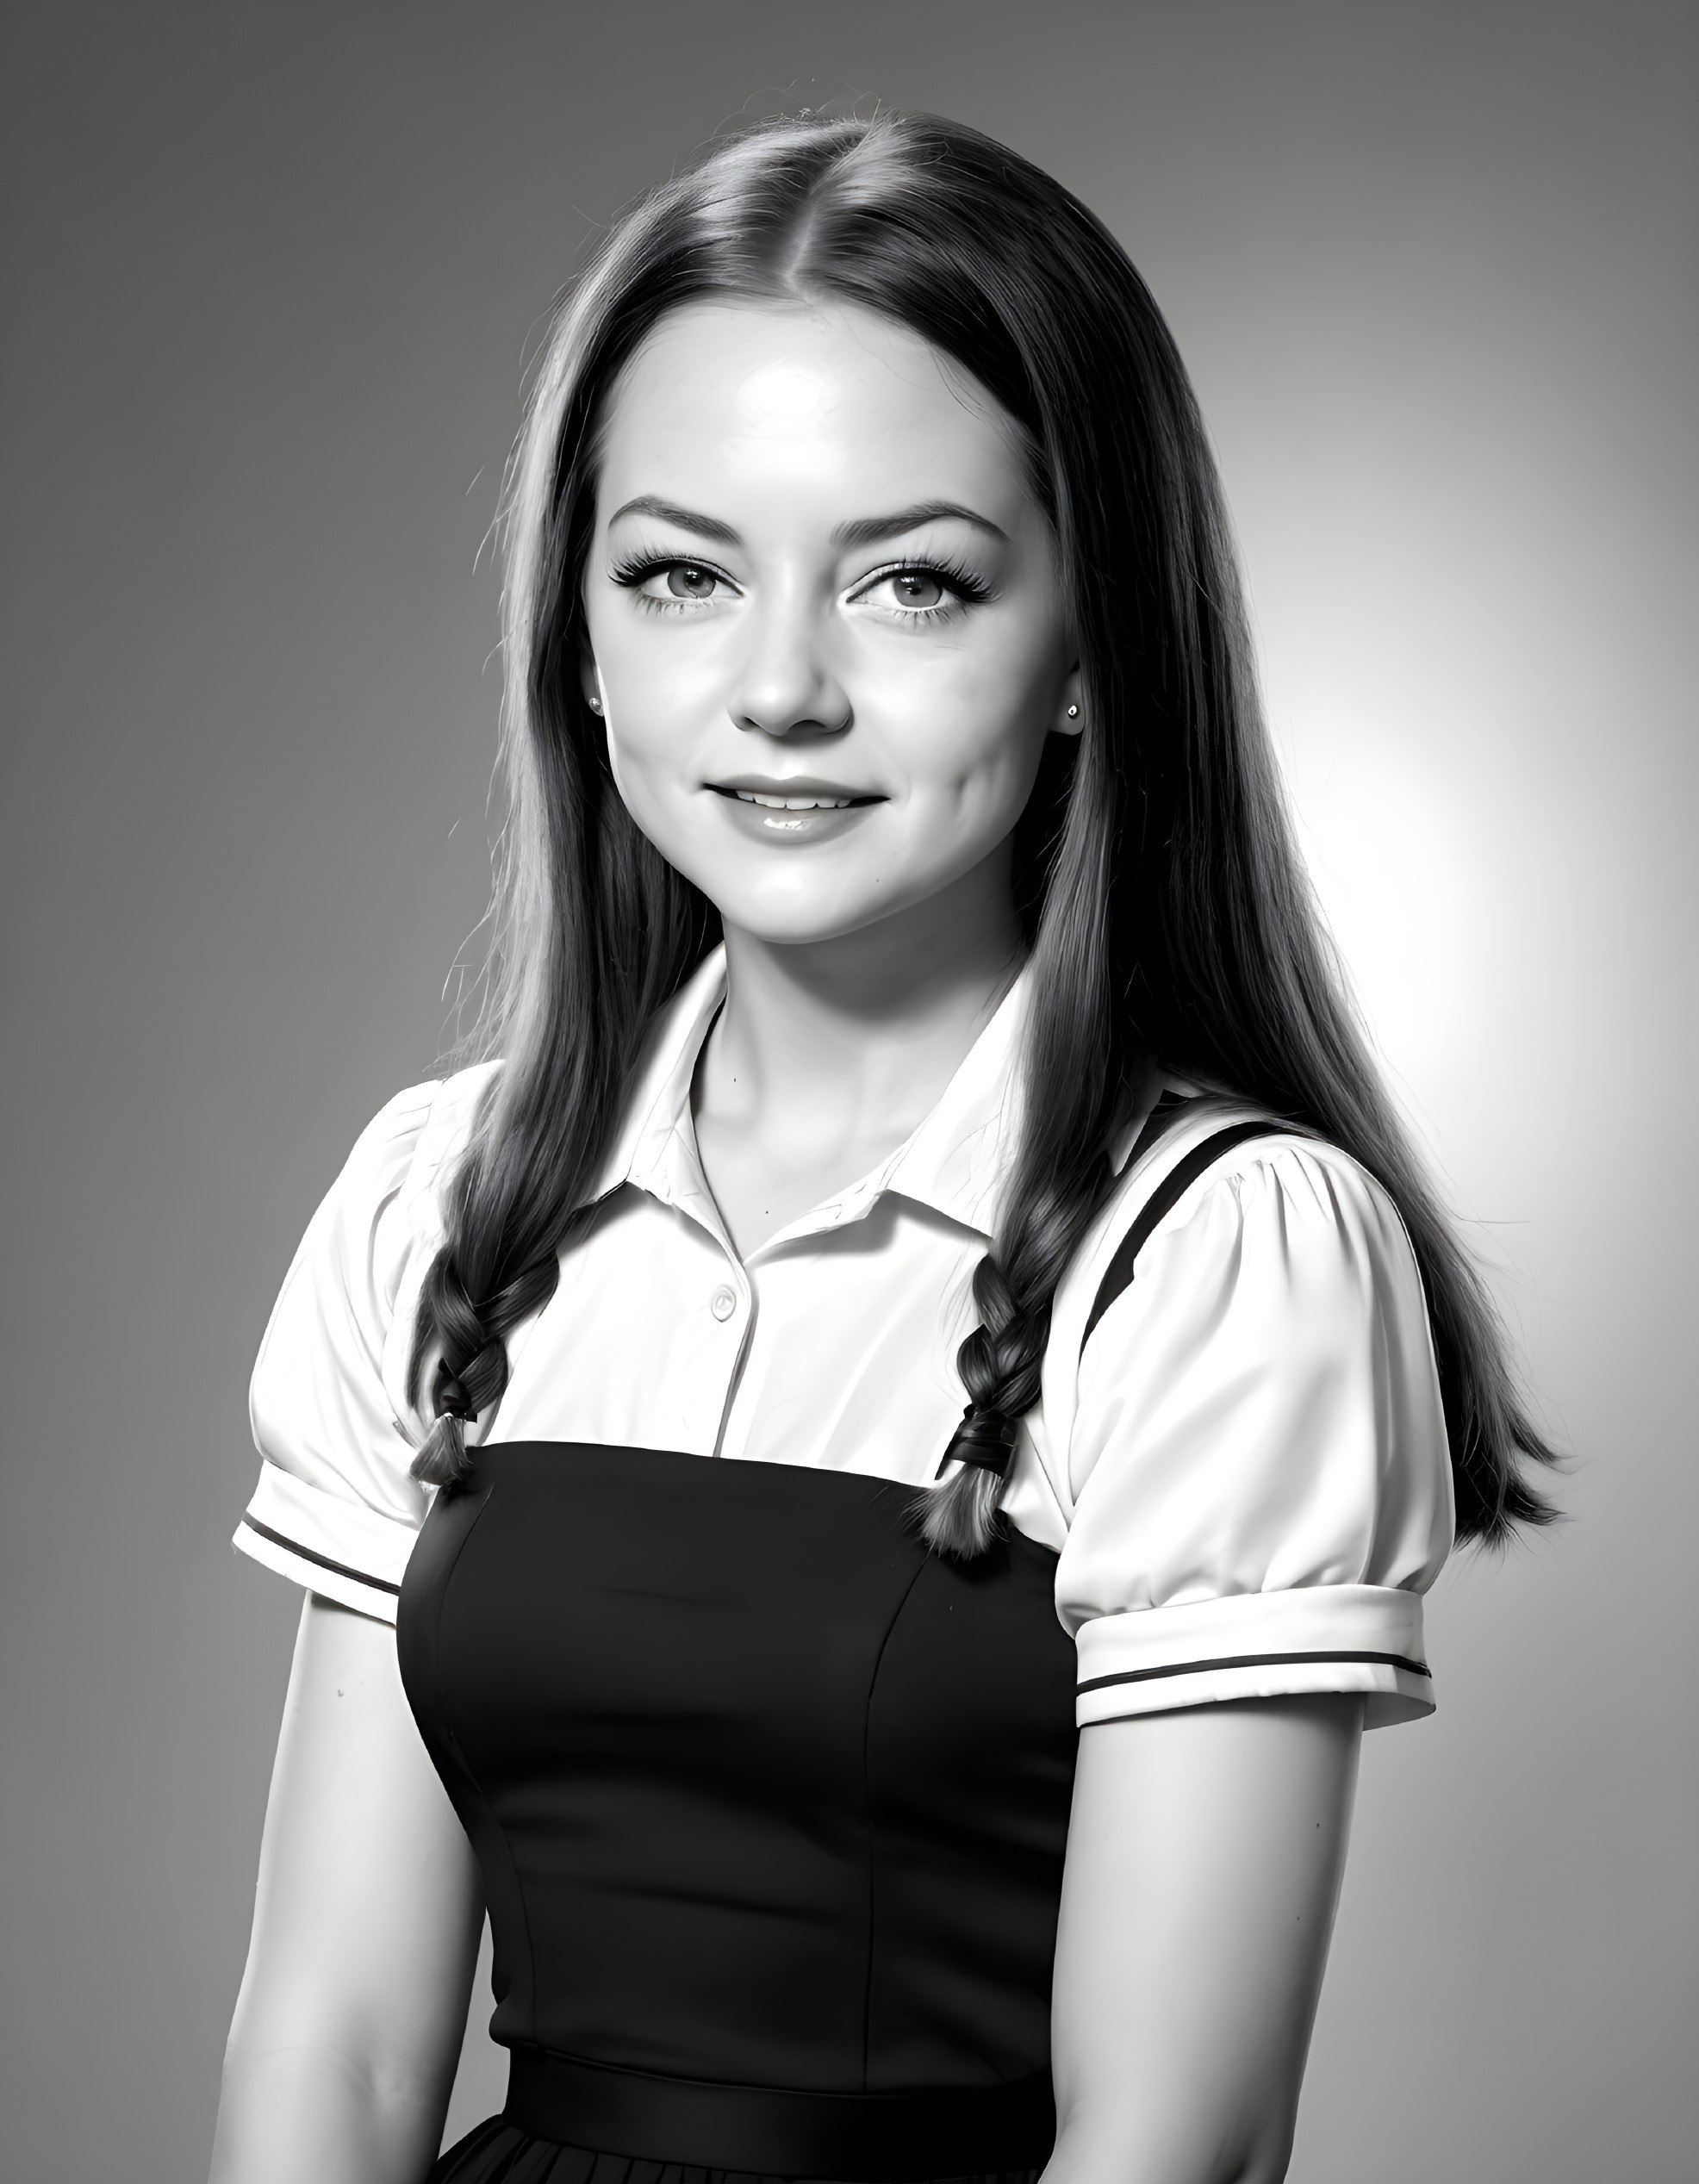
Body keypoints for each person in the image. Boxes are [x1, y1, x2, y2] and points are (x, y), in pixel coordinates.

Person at [208, 109, 1553, 2184]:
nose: (776, 690)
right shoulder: (438, 1201)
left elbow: (1170, 2139)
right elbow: (338, 2042)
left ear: (1095, 641)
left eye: (911, 583)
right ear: (576, 634)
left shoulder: (1217, 1250)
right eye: (677, 573)